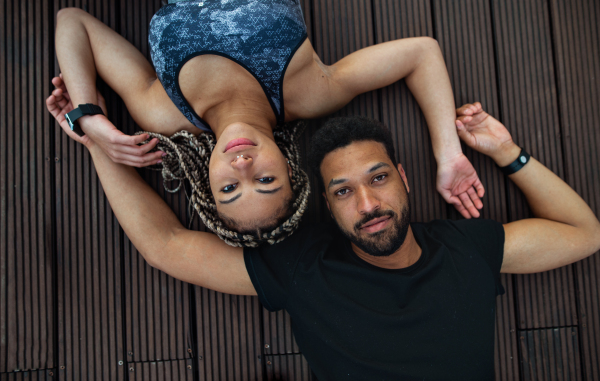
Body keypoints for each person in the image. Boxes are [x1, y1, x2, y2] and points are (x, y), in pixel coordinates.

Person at [48, 88, 600, 380]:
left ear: (404, 179)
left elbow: (583, 233)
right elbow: (165, 246)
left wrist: (506, 152)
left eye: (378, 178)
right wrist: (98, 142)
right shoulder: (304, 267)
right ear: (326, 206)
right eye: (342, 191)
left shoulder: (466, 247)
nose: (367, 205)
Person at [51, 0, 485, 246]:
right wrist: (449, 157)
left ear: (208, 178)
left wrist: (88, 119)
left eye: (229, 187)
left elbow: (73, 22)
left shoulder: (163, 111)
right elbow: (421, 53)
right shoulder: (309, 93)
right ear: (290, 171)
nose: (242, 165)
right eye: (264, 180)